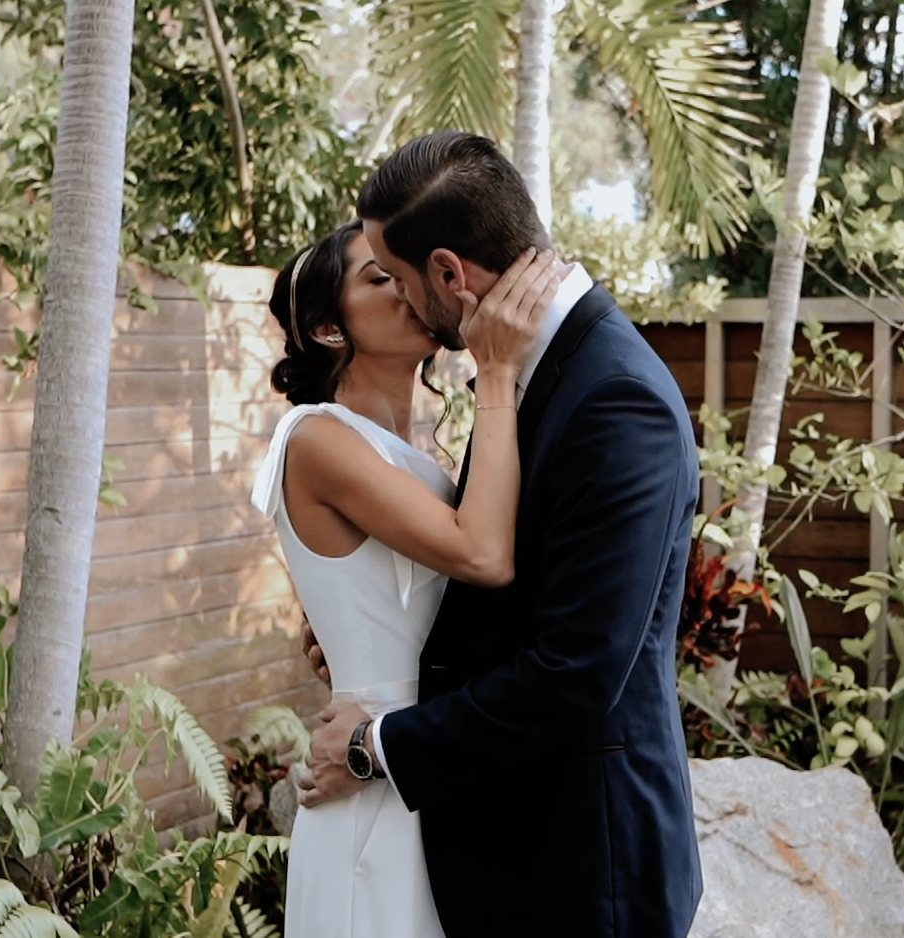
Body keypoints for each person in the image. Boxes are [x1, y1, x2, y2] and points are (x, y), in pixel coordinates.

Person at [297, 130, 704, 938]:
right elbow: (508, 592)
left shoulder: (616, 400)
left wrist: (377, 745)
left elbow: (576, 673)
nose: (407, 306)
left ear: (450, 272)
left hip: (585, 873)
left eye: (402, 280)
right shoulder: (523, 368)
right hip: (509, 856)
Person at [250, 217, 564, 938]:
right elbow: (483, 556)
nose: (406, 288)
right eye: (377, 279)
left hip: (426, 764)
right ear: (331, 330)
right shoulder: (318, 438)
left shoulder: (414, 454)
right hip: (370, 779)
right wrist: (496, 371)